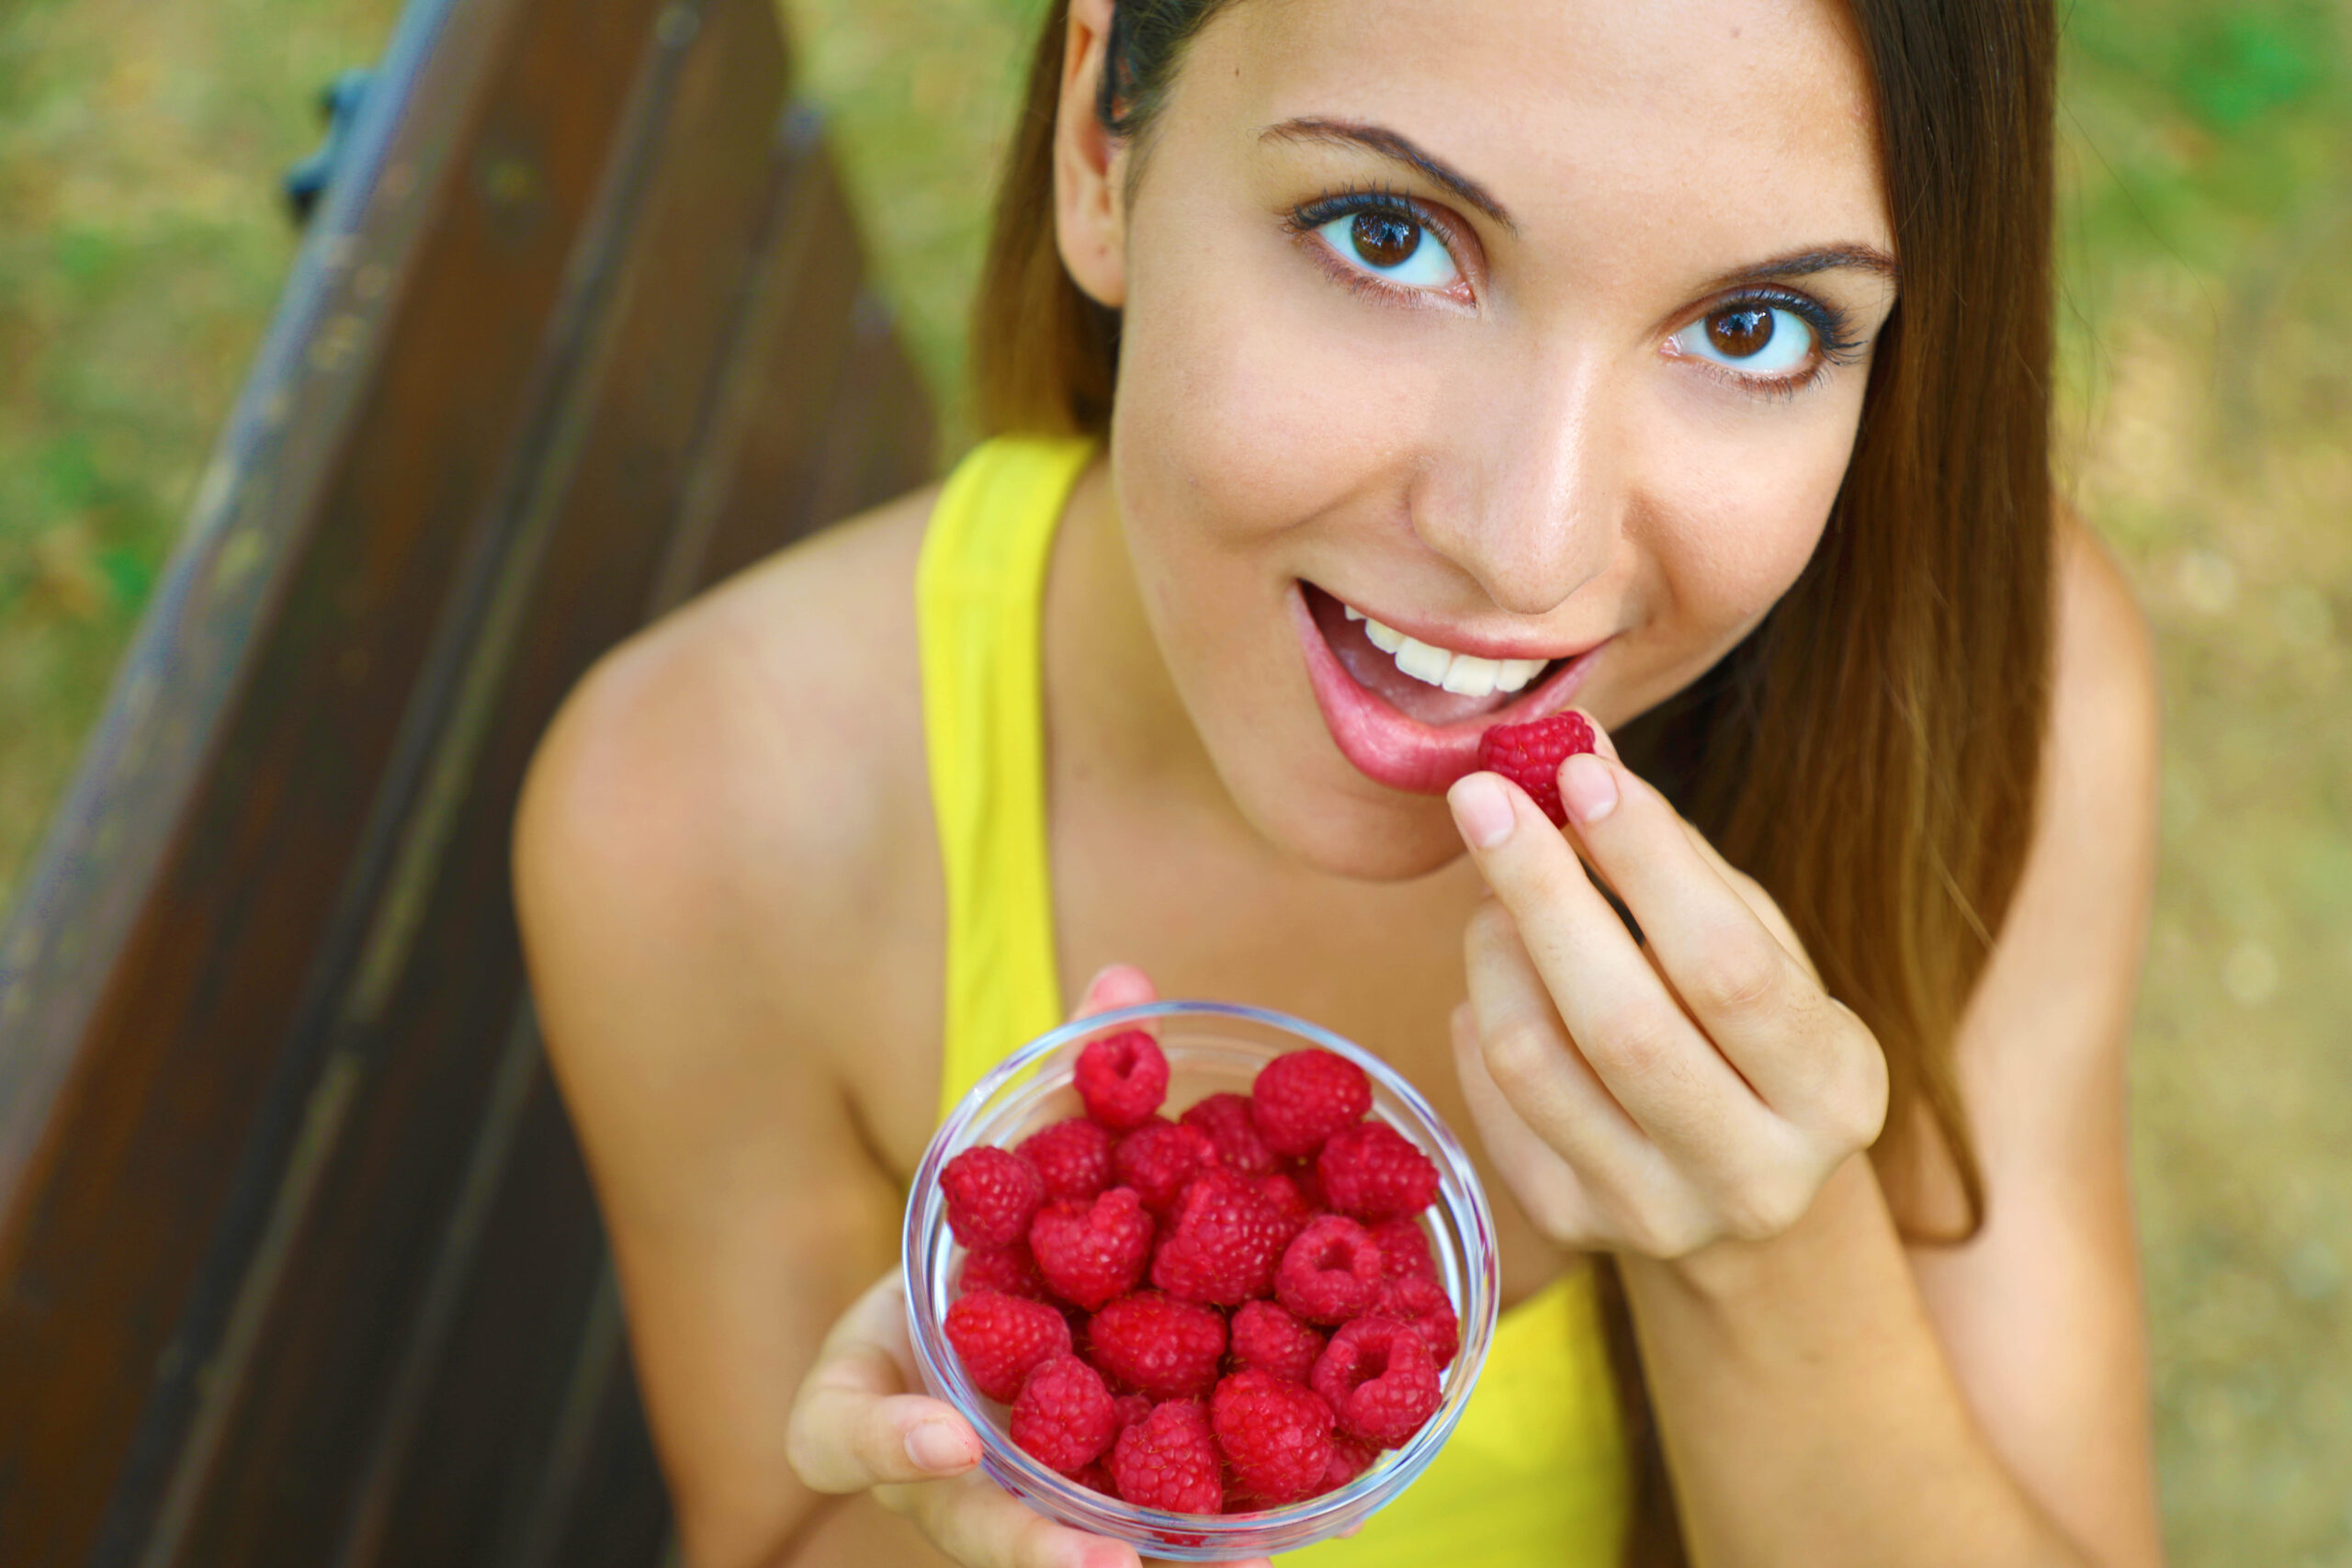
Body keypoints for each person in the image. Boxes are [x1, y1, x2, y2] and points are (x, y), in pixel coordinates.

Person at [513, 0, 2167, 1562]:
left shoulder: (1992, 697)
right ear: (1103, 145)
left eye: (1754, 325)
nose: (1529, 545)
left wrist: (1761, 1260)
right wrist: (1027, 1472)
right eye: (1389, 234)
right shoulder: (708, 819)